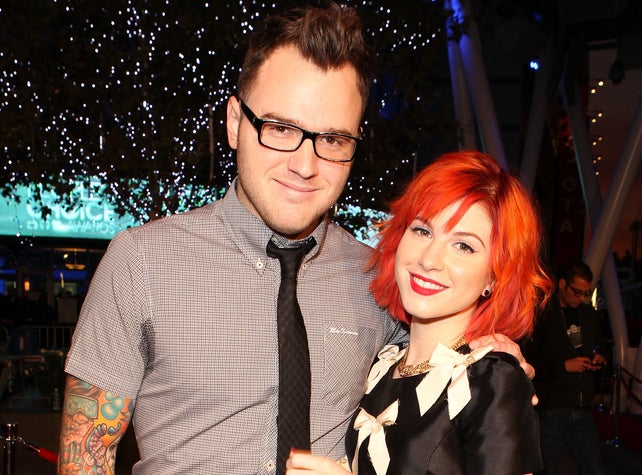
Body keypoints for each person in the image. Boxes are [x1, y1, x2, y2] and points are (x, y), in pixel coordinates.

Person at [58, 4, 530, 474]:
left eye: (332, 140)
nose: (305, 166)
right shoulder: (140, 263)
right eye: (280, 128)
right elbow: (85, 457)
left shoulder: (380, 279)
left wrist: (497, 361)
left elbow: (445, 366)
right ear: (235, 122)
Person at [286, 150, 552, 474]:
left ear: (494, 277)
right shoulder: (383, 365)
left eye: (464, 246)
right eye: (423, 231)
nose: (429, 259)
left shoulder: (492, 381)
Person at [521, 262, 607, 475]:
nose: (581, 298)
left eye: (585, 294)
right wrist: (563, 366)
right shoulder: (542, 315)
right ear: (562, 284)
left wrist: (600, 357)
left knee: (594, 468)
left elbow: (601, 344)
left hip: (582, 405)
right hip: (551, 407)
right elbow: (527, 363)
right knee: (545, 467)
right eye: (577, 292)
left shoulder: (589, 315)